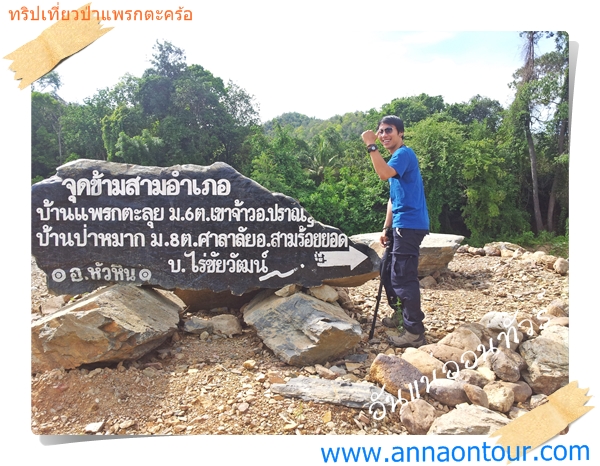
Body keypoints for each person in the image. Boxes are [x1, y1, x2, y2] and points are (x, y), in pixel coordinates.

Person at [361, 115, 430, 348]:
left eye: (388, 130)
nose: (383, 135)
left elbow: (383, 174)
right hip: (400, 225)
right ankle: (400, 314)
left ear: (401, 133)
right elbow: (393, 199)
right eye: (380, 132)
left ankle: (414, 332)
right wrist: (386, 227)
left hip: (410, 225)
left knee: (403, 277)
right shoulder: (394, 160)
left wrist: (371, 145)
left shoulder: (403, 154)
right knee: (387, 271)